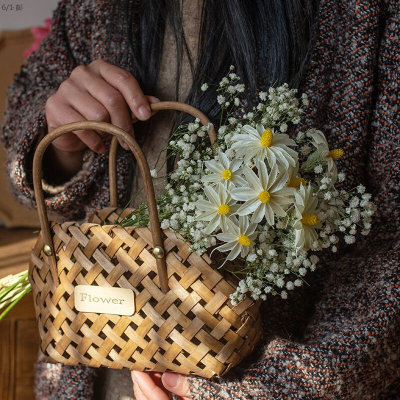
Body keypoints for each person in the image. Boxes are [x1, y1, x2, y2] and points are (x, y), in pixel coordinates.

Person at [1, 0, 399, 399]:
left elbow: (390, 253)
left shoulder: (363, 13)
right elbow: (29, 103)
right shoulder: (94, 6)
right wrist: (61, 146)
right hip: (91, 364)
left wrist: (272, 389)